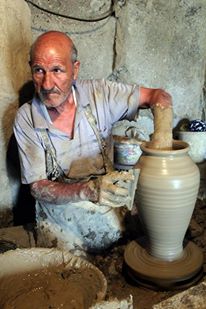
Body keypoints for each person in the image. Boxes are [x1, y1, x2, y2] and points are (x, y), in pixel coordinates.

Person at [13, 31, 173, 255]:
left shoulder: (100, 93)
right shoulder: (26, 118)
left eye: (57, 70)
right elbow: (38, 187)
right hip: (60, 212)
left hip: (108, 196)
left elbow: (158, 96)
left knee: (139, 240)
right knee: (69, 270)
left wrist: (163, 138)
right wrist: (88, 190)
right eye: (39, 70)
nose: (47, 83)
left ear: (75, 69)